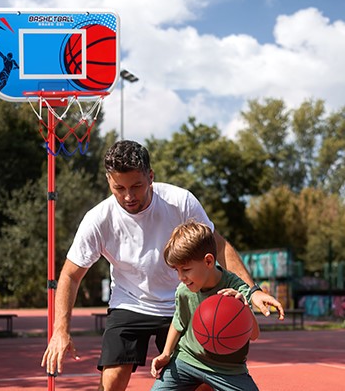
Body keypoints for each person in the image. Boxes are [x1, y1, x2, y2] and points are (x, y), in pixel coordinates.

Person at [41, 140, 284, 391]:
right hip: (130, 301)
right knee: (112, 378)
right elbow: (71, 274)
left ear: (151, 176)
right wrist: (61, 329)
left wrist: (251, 291)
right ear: (108, 181)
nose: (128, 196)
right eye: (119, 188)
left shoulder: (180, 202)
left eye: (136, 186)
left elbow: (218, 246)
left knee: (202, 382)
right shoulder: (98, 220)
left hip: (183, 300)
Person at [150, 220, 260, 391]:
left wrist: (243, 308)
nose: (181, 277)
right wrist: (166, 353)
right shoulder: (184, 290)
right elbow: (178, 322)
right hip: (187, 359)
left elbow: (254, 335)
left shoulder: (237, 289)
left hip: (227, 369)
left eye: (186, 269)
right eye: (176, 270)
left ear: (209, 261)